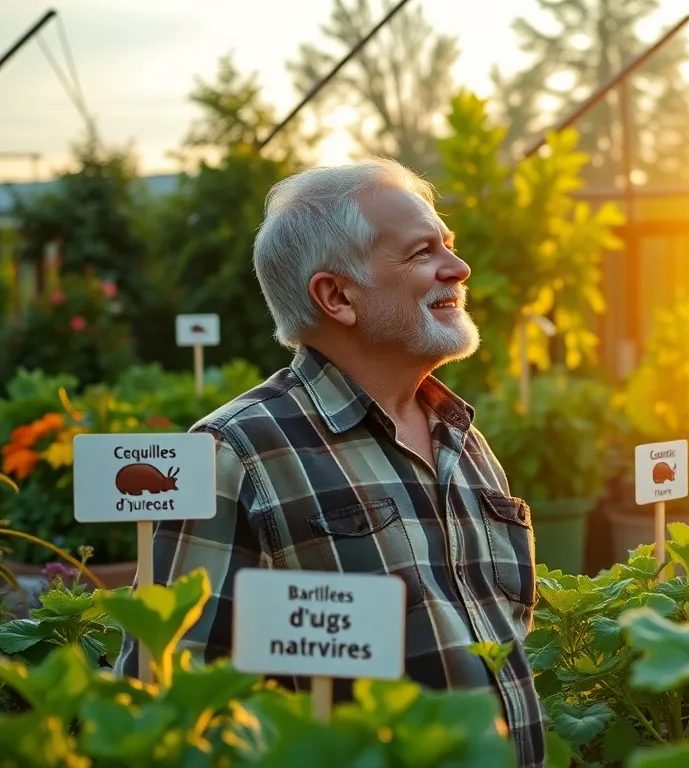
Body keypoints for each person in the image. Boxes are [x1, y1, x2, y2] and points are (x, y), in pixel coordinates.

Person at [114, 157, 545, 767]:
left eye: (448, 244)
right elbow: (165, 710)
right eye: (423, 253)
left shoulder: (462, 437)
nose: (459, 267)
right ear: (336, 295)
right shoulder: (235, 455)